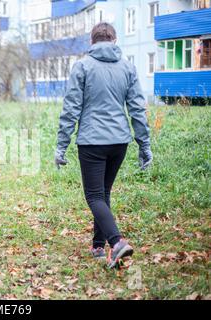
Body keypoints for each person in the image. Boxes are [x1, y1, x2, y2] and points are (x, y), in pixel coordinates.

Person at [55, 22, 153, 269]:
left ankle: (116, 241)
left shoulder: (83, 66)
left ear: (92, 42)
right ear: (115, 40)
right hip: (119, 142)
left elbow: (71, 109)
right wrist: (144, 145)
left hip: (92, 142)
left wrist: (61, 145)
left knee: (94, 196)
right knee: (103, 194)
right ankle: (98, 246)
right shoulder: (128, 68)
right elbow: (138, 110)